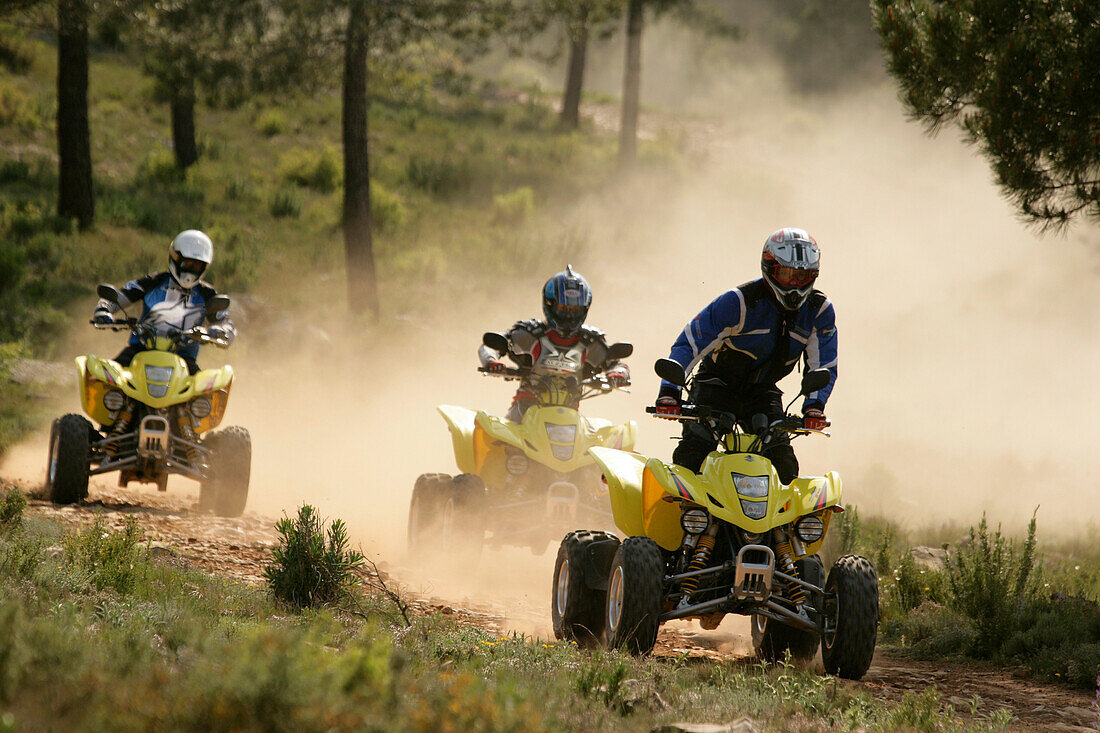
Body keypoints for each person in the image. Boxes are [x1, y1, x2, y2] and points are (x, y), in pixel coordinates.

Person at [654, 227, 837, 484]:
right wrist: (669, 392)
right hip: (715, 386)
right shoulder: (738, 302)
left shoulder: (819, 310)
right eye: (786, 274)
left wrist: (814, 408)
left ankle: (778, 526)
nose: (794, 285)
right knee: (692, 457)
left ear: (814, 275)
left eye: (802, 276)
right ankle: (685, 521)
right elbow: (690, 343)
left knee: (785, 468)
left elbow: (825, 365)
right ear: (769, 269)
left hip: (763, 392)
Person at [479, 265, 630, 422]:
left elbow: (618, 364)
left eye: (575, 310)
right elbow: (490, 346)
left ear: (585, 309)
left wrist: (617, 375)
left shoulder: (590, 340)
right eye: (563, 308)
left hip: (570, 417)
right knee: (498, 437)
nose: (569, 316)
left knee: (612, 438)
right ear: (550, 305)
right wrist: (491, 362)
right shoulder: (530, 333)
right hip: (525, 411)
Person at [92, 230, 237, 375]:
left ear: (205, 267)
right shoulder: (152, 282)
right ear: (175, 258)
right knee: (104, 378)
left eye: (197, 266)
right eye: (188, 263)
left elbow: (225, 323)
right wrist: (104, 311)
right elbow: (118, 297)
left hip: (184, 361)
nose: (192, 270)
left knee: (207, 394)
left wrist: (220, 331)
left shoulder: (208, 294)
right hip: (140, 350)